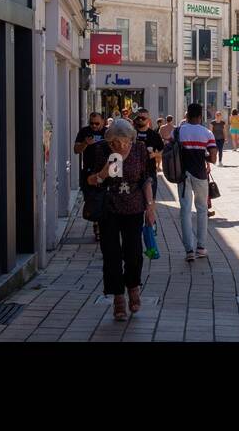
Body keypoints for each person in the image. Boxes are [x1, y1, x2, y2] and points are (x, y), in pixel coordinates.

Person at [86, 118, 155, 321]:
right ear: (109, 140)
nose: (120, 146)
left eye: (124, 141)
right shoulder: (100, 150)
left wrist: (150, 207)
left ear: (131, 139)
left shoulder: (140, 150)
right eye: (115, 142)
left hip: (134, 209)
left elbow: (146, 179)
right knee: (111, 255)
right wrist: (103, 173)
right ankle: (118, 298)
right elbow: (89, 180)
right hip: (109, 209)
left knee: (133, 254)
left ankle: (133, 289)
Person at [175, 103, 217, 261]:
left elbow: (170, 148)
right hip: (200, 174)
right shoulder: (207, 133)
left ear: (186, 116)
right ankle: (201, 247)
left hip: (183, 175)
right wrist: (203, 156)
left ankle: (189, 250)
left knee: (185, 211)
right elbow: (213, 158)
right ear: (200, 116)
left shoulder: (178, 131)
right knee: (202, 210)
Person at [133, 111, 165, 259]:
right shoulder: (131, 133)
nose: (140, 120)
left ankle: (150, 226)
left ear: (148, 120)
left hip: (150, 173)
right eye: (138, 117)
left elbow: (162, 151)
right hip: (134, 175)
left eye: (143, 118)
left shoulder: (154, 135)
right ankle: (140, 228)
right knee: (137, 204)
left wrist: (155, 155)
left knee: (150, 203)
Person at [73, 111, 108, 241]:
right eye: (91, 123)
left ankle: (101, 227)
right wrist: (85, 144)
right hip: (88, 172)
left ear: (103, 122)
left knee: (103, 199)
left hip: (105, 172)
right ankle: (96, 225)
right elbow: (76, 150)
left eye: (97, 123)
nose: (94, 126)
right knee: (92, 199)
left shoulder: (108, 133)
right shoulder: (84, 132)